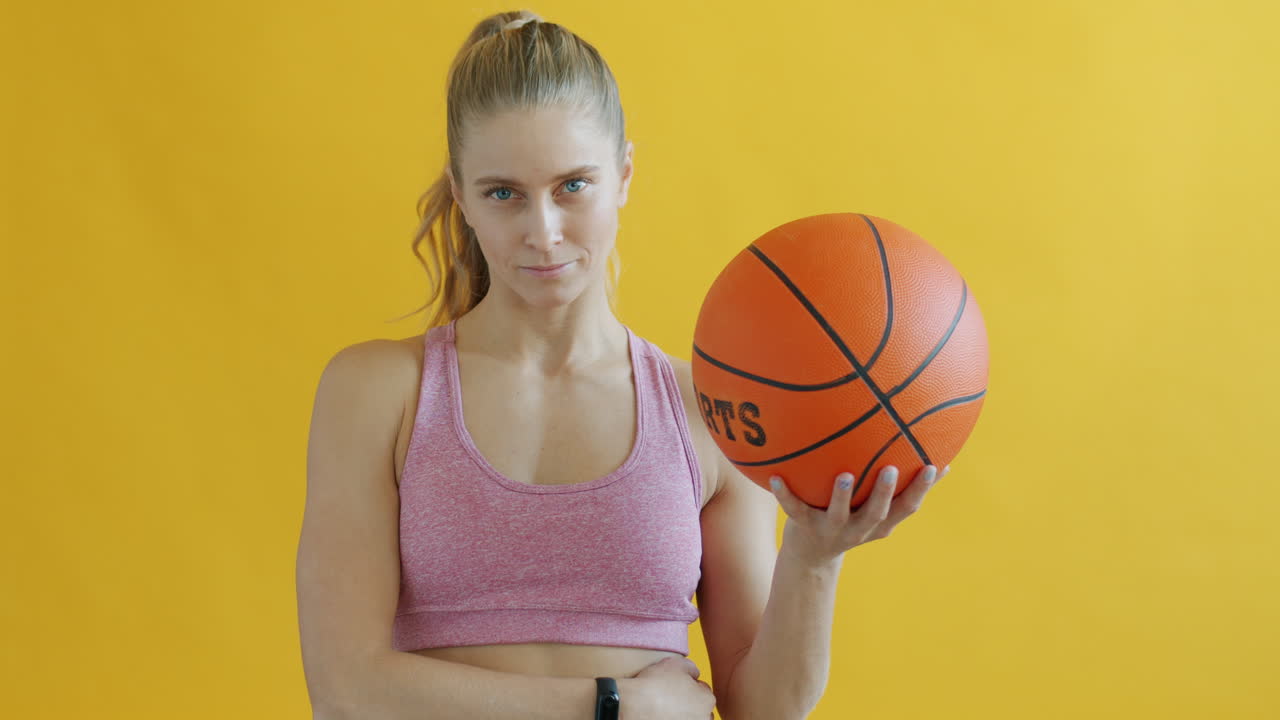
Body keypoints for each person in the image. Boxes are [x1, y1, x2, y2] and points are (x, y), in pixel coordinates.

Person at [295, 10, 948, 720]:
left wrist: (814, 559)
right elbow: (345, 693)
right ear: (461, 193)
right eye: (503, 193)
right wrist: (614, 707)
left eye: (572, 186)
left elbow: (761, 708)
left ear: (624, 175)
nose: (543, 232)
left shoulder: (713, 409)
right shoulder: (380, 394)